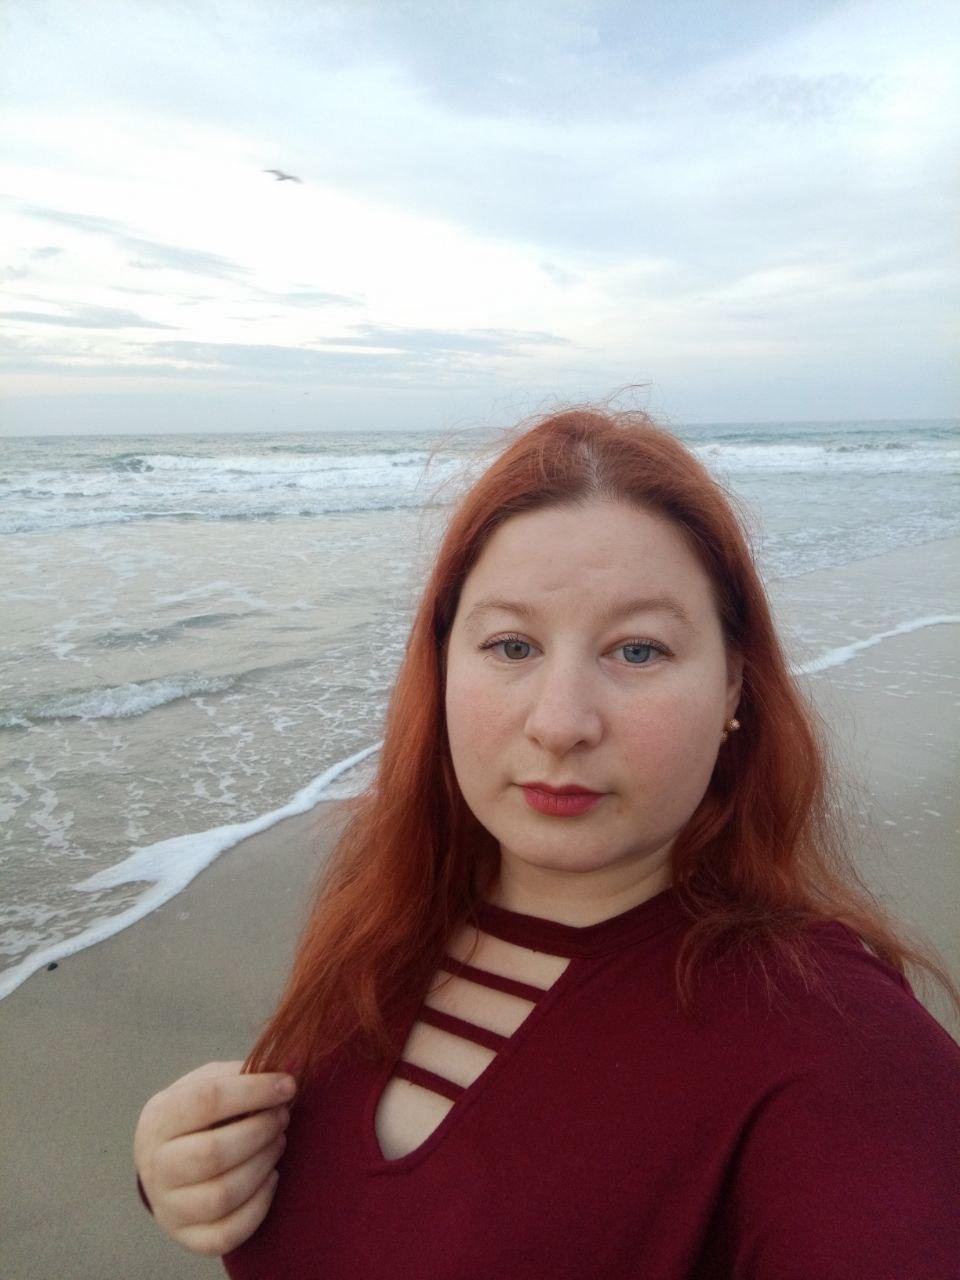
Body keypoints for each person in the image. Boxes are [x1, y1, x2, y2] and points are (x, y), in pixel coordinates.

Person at [133, 406, 960, 1278]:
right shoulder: (389, 921)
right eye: (512, 645)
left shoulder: (840, 1045)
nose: (561, 722)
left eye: (638, 651)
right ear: (441, 666)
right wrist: (183, 1164)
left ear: (731, 689)